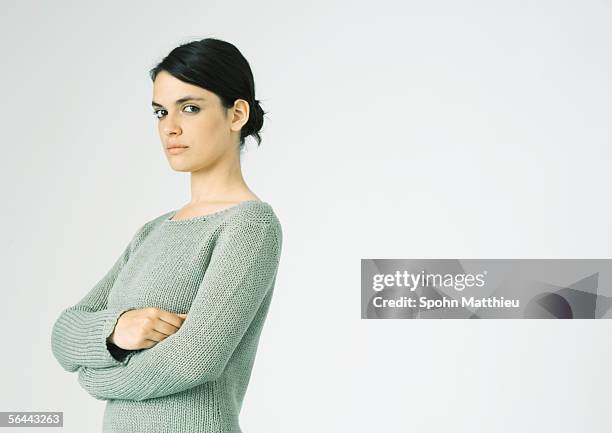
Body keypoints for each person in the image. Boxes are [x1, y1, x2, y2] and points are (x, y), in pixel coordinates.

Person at [50, 37, 283, 433]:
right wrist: (113, 331)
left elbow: (195, 359)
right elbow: (65, 332)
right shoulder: (154, 231)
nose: (170, 128)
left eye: (190, 108)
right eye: (160, 112)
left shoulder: (250, 226)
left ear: (236, 114)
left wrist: (95, 379)